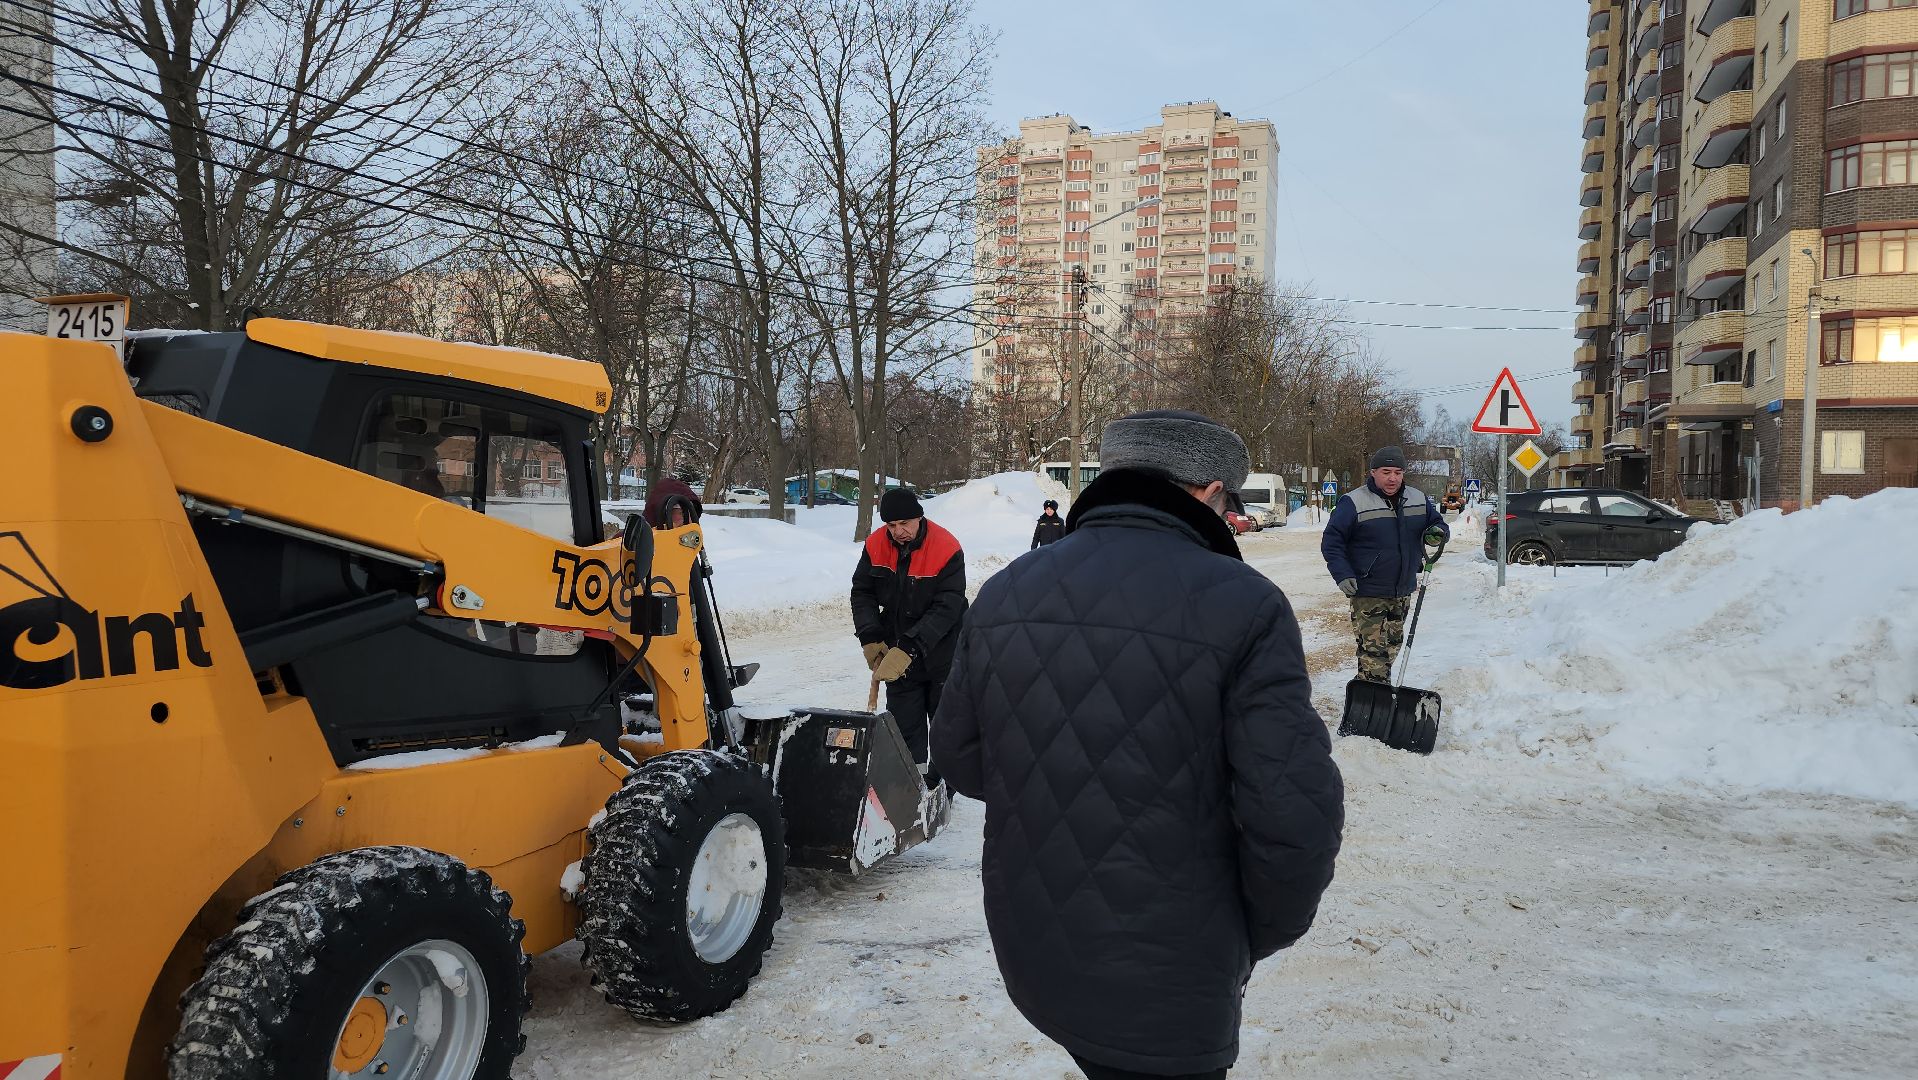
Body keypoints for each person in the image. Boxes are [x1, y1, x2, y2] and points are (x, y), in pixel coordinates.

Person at [933, 409, 1345, 1080]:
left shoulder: (1009, 587)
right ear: (1213, 492)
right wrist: (1247, 938)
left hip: (1035, 947)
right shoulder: (1247, 604)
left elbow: (961, 758)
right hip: (1172, 972)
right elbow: (1294, 821)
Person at [851, 487, 967, 776]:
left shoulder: (946, 547)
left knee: (944, 729)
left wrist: (911, 647)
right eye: (891, 525)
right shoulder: (876, 544)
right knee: (904, 729)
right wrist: (870, 636)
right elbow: (862, 592)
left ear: (919, 517)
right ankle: (913, 790)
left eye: (905, 524)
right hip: (897, 656)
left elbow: (947, 607)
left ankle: (942, 789)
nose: (898, 531)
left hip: (942, 655)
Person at [1320, 446, 1449, 683]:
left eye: (1398, 472)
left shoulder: (1418, 498)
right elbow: (1332, 541)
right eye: (1386, 472)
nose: (1392, 478)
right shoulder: (1354, 501)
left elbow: (1438, 524)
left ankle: (1370, 690)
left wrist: (1437, 532)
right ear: (1373, 472)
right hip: (1368, 591)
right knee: (1373, 653)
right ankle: (1374, 705)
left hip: (1403, 588)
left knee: (1393, 646)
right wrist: (1342, 574)